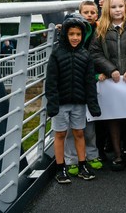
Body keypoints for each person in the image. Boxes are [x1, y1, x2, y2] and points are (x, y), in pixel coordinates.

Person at [89, 0, 126, 171]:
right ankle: (118, 154)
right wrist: (110, 69)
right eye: (113, 7)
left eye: (121, 6)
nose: (118, 10)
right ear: (107, 9)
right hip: (111, 80)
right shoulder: (101, 29)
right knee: (113, 118)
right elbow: (95, 53)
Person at [46, 16, 101, 184]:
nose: (75, 37)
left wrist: (92, 104)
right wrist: (53, 103)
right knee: (60, 133)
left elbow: (89, 82)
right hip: (61, 103)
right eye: (71, 34)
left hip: (79, 102)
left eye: (78, 34)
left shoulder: (86, 55)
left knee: (79, 132)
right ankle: (60, 167)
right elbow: (51, 81)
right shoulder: (56, 54)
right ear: (65, 35)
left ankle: (82, 163)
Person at [63, 3, 104, 176]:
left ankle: (92, 155)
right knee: (71, 129)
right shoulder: (65, 43)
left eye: (92, 12)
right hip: (69, 90)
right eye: (85, 12)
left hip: (88, 86)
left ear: (97, 15)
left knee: (88, 126)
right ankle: (71, 159)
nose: (89, 15)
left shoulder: (99, 32)